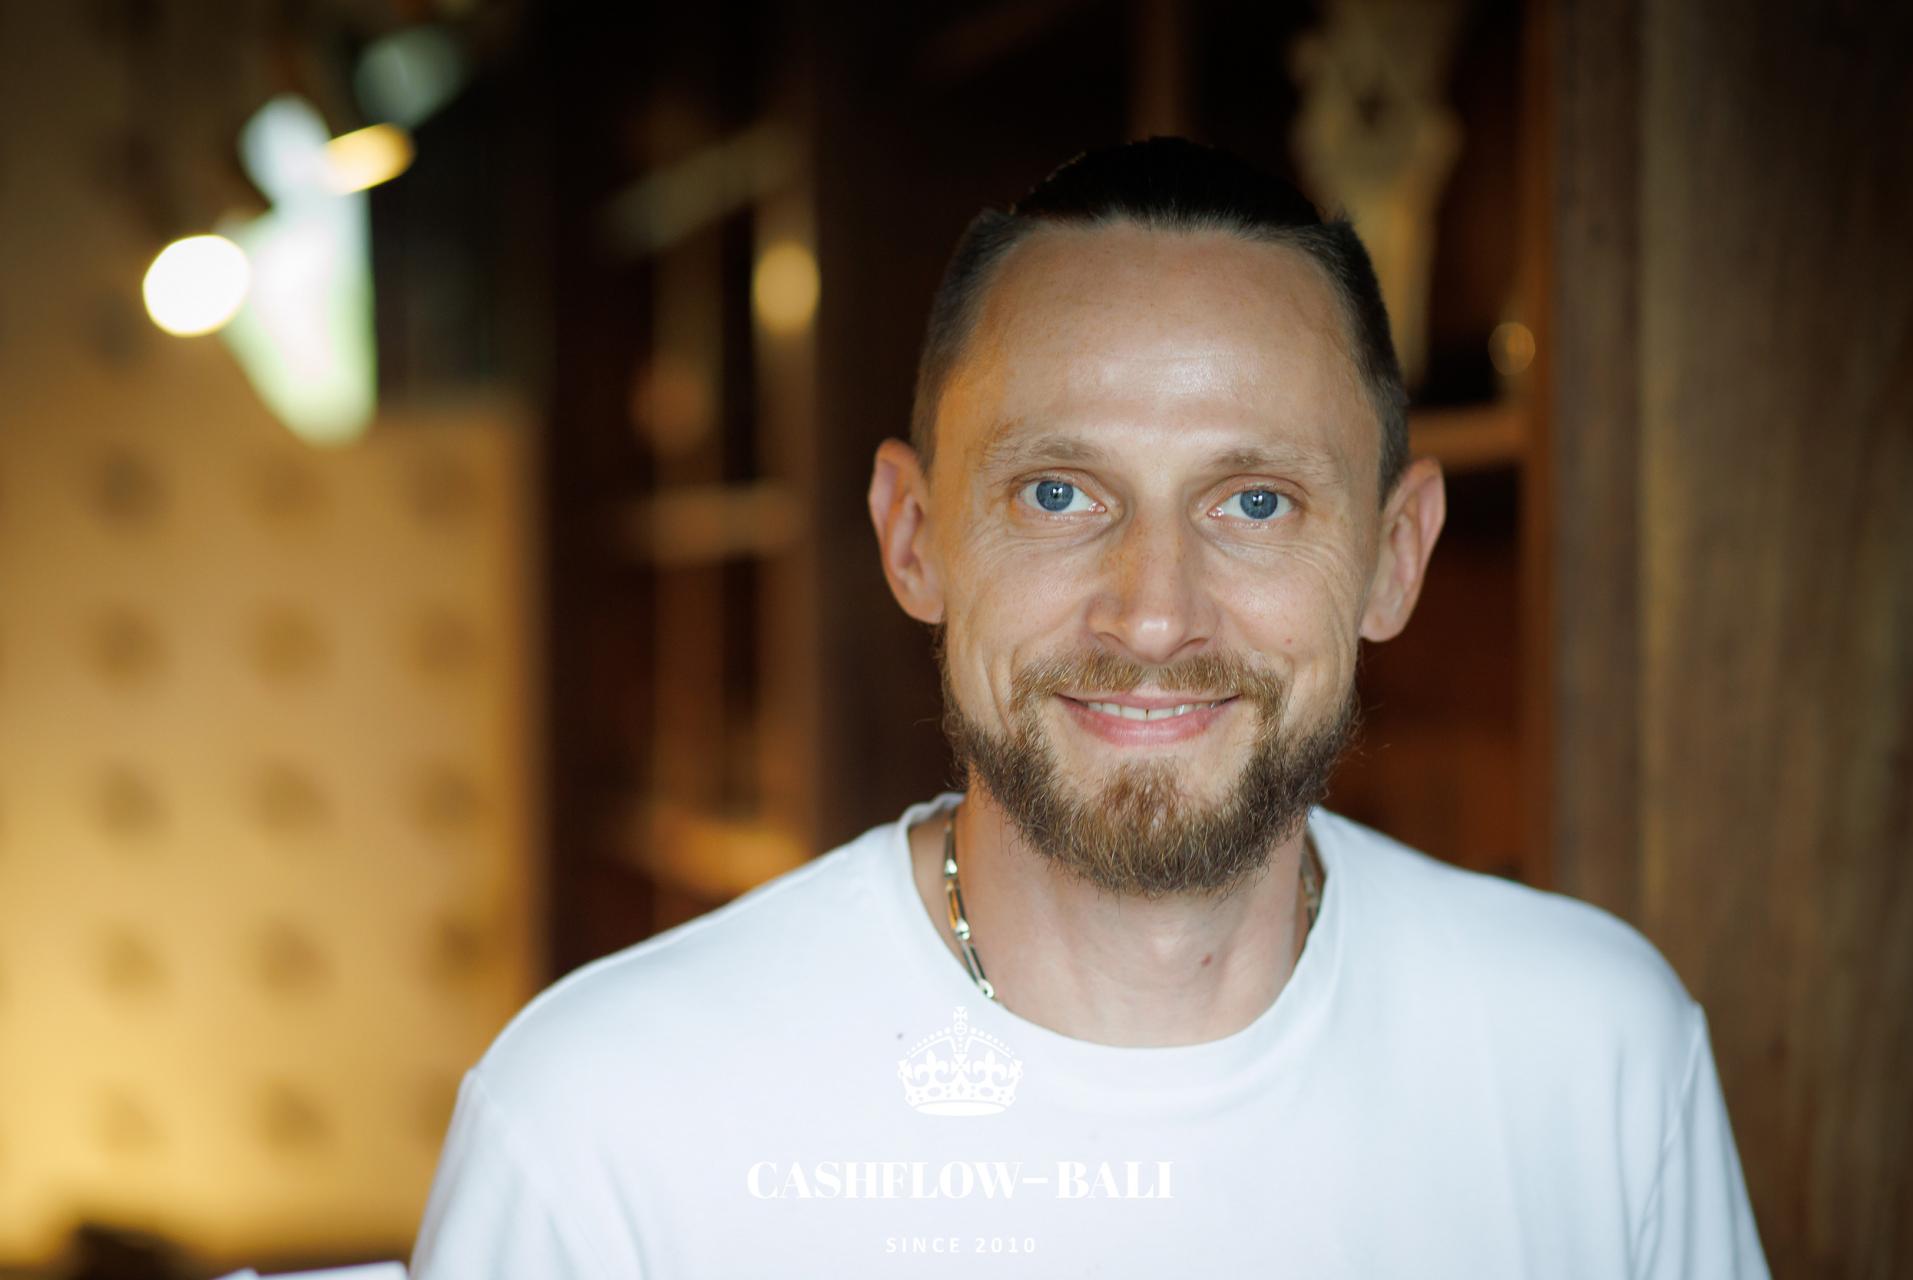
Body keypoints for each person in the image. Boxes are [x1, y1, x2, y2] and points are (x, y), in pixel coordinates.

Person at [409, 138, 1769, 1277]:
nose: (1154, 616)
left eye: (1255, 502)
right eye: (1058, 493)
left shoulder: (1597, 1055)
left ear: (1393, 557)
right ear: (913, 537)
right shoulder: (604, 1131)